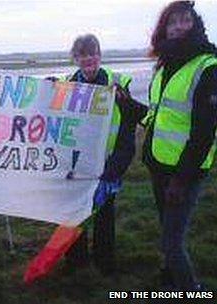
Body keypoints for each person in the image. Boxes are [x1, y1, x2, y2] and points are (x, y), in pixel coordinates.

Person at [56, 34, 147, 274]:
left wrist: (117, 166)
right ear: (75, 58)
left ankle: (105, 262)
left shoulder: (118, 83)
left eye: (93, 52)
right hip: (74, 165)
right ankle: (75, 261)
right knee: (74, 215)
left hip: (107, 165)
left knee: (104, 215)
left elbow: (129, 127)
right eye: (83, 54)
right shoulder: (65, 85)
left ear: (100, 55)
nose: (89, 59)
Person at [142, 1, 217, 291]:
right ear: (165, 29)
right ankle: (169, 284)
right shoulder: (164, 65)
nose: (178, 26)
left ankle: (191, 291)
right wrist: (127, 104)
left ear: (195, 24)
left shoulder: (208, 67)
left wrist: (181, 180)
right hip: (158, 165)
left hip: (183, 174)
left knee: (170, 243)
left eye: (185, 20)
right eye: (172, 22)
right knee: (168, 234)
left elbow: (204, 133)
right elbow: (156, 115)